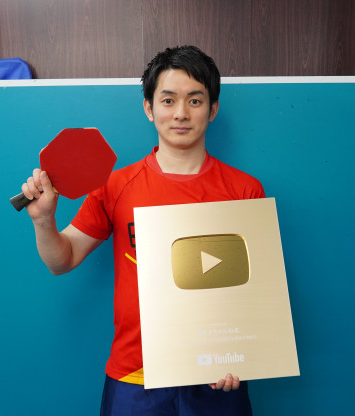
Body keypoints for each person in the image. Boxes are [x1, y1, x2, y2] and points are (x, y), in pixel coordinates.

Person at [22, 45, 264, 415]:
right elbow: (62, 260)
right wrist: (43, 220)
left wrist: (243, 355)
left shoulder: (244, 190)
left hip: (217, 373)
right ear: (149, 108)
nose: (181, 113)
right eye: (168, 100)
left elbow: (257, 292)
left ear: (213, 109)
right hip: (135, 377)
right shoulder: (115, 186)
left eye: (195, 101)